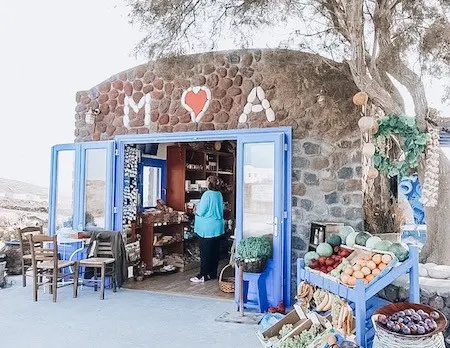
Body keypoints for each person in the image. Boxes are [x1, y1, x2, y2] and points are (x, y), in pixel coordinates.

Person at [190, 175, 224, 283]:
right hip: (217, 227)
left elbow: (201, 211)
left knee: (205, 253)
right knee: (214, 253)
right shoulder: (219, 194)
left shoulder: (207, 194)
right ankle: (212, 274)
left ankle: (203, 275)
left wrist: (195, 210)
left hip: (207, 228)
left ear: (209, 184)